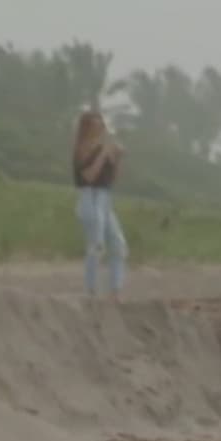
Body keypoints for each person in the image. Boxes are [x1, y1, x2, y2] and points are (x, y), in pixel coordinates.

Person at [72, 110, 127, 300]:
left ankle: (116, 291)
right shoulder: (83, 149)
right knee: (96, 245)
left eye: (102, 125)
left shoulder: (105, 147)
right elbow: (89, 177)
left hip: (105, 199)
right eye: (97, 126)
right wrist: (103, 153)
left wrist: (118, 158)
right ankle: (91, 291)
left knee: (118, 244)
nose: (101, 130)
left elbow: (112, 180)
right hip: (90, 197)